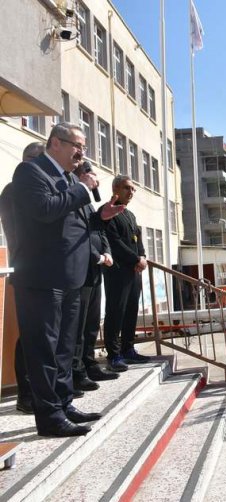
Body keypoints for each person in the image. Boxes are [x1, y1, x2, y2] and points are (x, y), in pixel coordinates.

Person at [11, 123, 104, 437]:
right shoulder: (31, 172)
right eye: (76, 145)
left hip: (70, 277)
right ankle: (49, 417)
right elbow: (45, 210)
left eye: (84, 147)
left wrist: (99, 214)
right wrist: (81, 188)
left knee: (65, 347)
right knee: (45, 351)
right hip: (42, 277)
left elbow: (77, 221)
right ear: (55, 143)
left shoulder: (67, 178)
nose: (81, 153)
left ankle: (64, 403)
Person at [0, 141, 45, 413]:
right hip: (30, 269)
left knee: (45, 335)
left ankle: (43, 391)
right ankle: (25, 393)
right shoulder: (14, 190)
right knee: (31, 335)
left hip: (46, 271)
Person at [71, 162, 118, 390]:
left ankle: (89, 364)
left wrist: (106, 252)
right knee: (78, 326)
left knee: (91, 323)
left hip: (95, 271)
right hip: (82, 270)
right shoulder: (73, 201)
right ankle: (77, 370)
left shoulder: (89, 204)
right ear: (80, 177)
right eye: (92, 177)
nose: (95, 182)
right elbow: (77, 238)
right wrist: (97, 257)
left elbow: (98, 231)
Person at [102, 175, 150, 371]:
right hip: (117, 272)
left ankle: (128, 349)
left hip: (133, 272)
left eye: (132, 189)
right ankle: (114, 355)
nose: (130, 192)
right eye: (126, 188)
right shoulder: (108, 212)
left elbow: (136, 239)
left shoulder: (129, 215)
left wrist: (143, 256)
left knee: (131, 311)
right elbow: (114, 242)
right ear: (115, 189)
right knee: (116, 312)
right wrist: (135, 259)